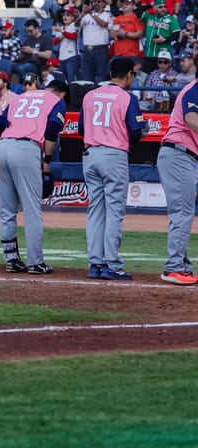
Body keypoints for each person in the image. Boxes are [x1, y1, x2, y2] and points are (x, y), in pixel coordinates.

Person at [0, 78, 69, 274]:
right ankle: (35, 262)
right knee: (32, 209)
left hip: (2, 147)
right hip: (27, 148)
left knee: (6, 210)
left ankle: (11, 259)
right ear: (63, 93)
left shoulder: (20, 97)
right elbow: (52, 129)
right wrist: (47, 161)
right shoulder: (56, 101)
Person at [80, 56, 146, 280]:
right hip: (113, 154)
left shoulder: (90, 95)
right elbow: (136, 132)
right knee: (115, 212)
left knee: (96, 211)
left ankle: (95, 263)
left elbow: (81, 128)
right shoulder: (127, 97)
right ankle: (112, 264)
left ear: (110, 74)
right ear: (129, 75)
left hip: (90, 154)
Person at [156, 76, 198, 285]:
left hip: (183, 155)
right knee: (182, 212)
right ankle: (174, 268)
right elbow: (191, 118)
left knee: (184, 212)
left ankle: (181, 265)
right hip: (179, 154)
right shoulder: (195, 88)